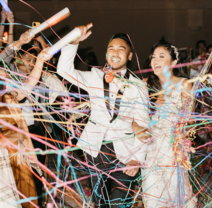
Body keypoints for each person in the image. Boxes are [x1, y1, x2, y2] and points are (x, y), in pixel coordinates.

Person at [57, 23, 150, 207]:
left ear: (130, 56)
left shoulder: (139, 86)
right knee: (100, 203)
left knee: (119, 203)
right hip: (96, 151)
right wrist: (73, 42)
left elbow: (143, 124)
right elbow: (63, 70)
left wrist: (137, 159)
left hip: (125, 155)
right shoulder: (93, 76)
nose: (115, 52)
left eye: (121, 49)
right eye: (111, 49)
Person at [0, 28, 66, 207]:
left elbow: (28, 86)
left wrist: (40, 62)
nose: (5, 72)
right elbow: (5, 58)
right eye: (2, 71)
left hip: (10, 157)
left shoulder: (9, 98)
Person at [137, 41, 196, 207]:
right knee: (153, 199)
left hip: (173, 151)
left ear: (174, 62)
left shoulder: (184, 84)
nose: (155, 60)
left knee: (177, 198)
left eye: (161, 56)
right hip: (152, 151)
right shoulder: (146, 86)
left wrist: (183, 142)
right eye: (153, 57)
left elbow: (188, 120)